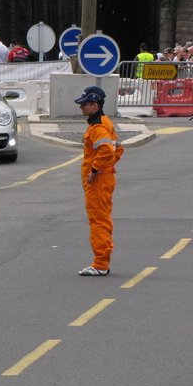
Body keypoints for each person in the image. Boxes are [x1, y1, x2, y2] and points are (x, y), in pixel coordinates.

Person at [75, 86, 123, 276]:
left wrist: (96, 170)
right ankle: (102, 261)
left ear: (94, 105)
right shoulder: (104, 122)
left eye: (84, 105)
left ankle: (100, 264)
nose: (81, 108)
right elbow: (118, 148)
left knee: (98, 220)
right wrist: (107, 167)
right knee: (102, 219)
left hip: (99, 181)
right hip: (105, 177)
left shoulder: (98, 127)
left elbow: (107, 150)